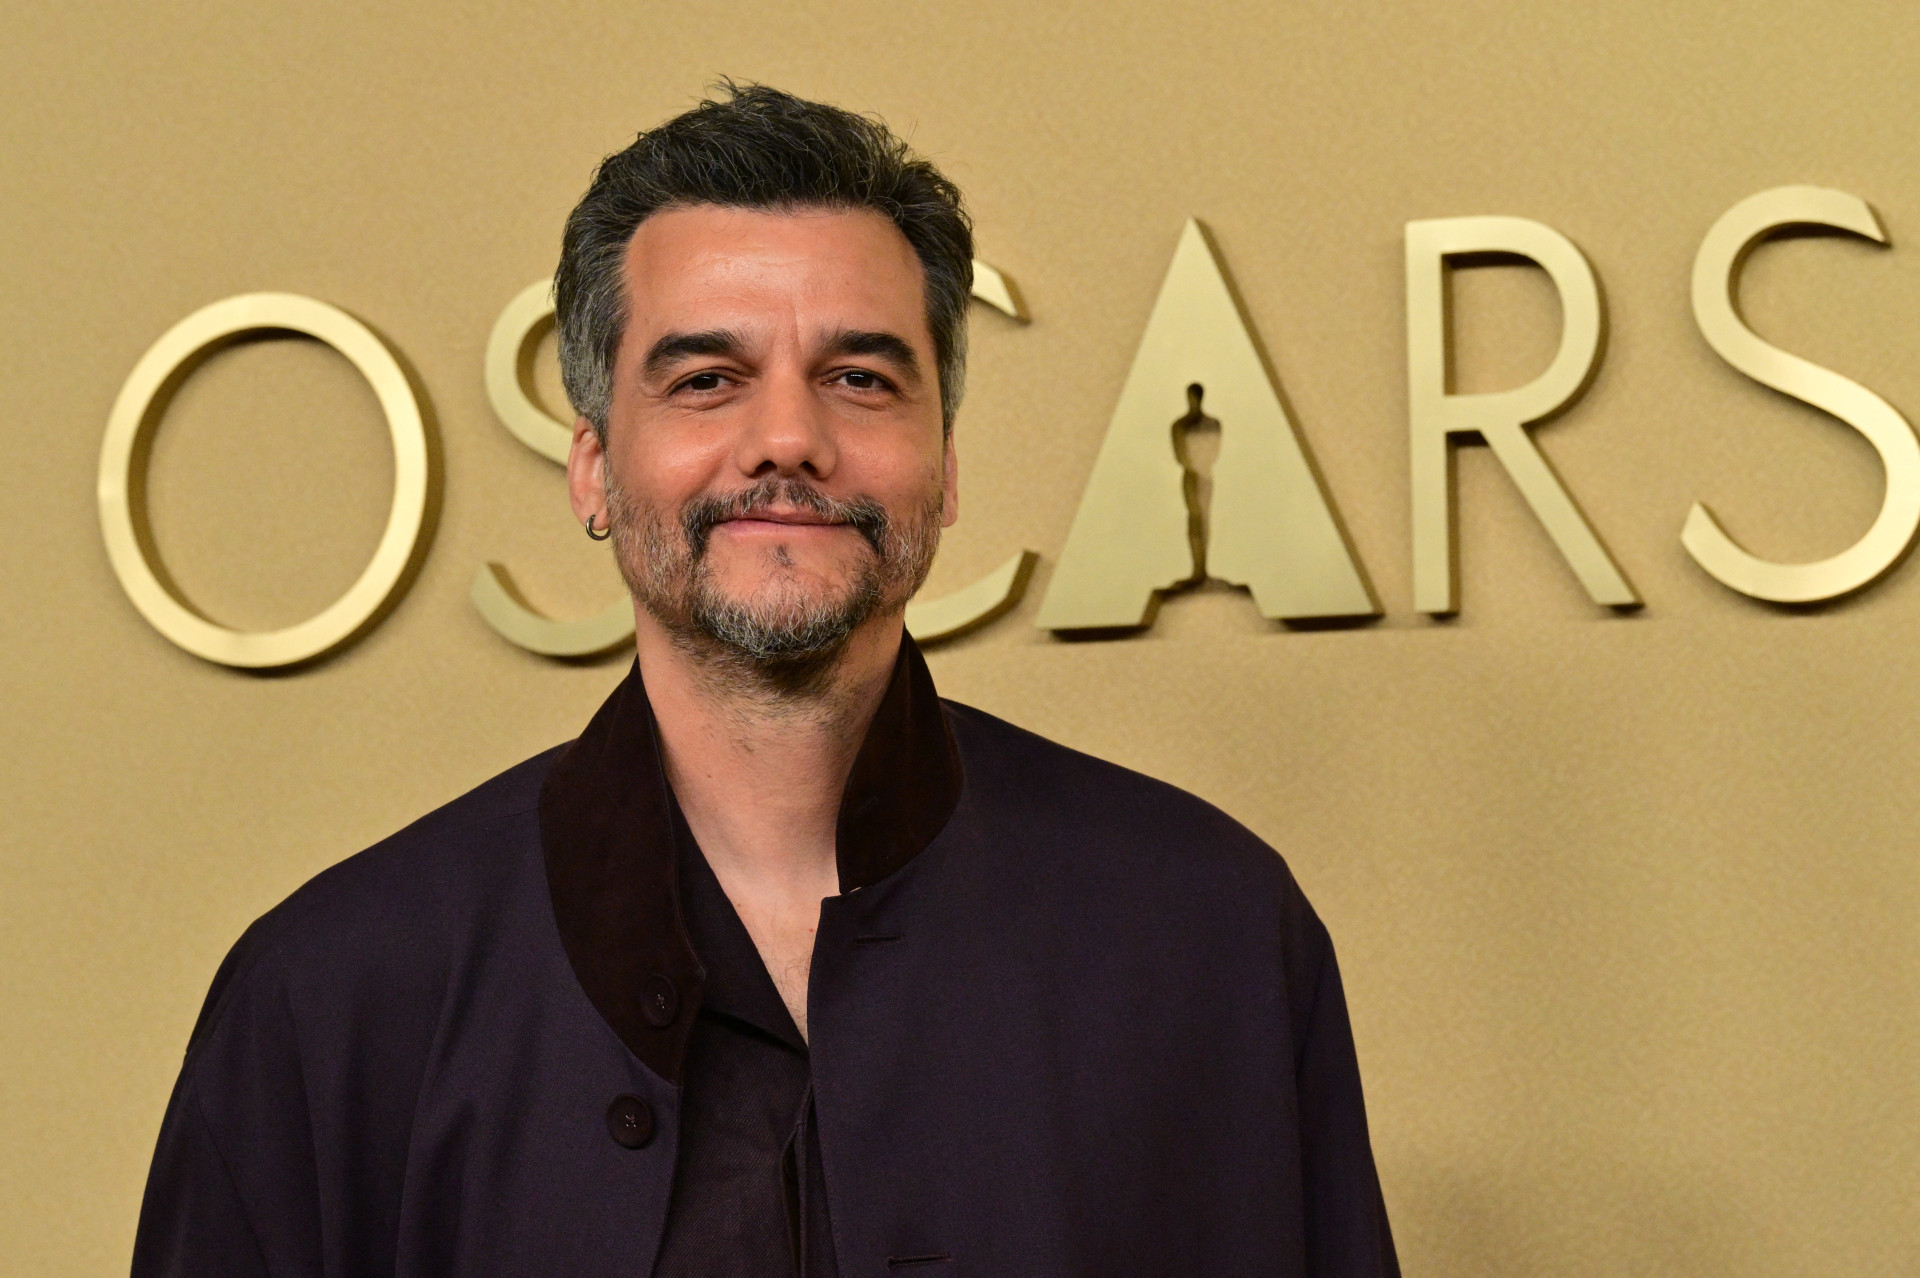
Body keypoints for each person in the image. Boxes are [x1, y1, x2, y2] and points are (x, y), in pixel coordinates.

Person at [131, 83, 1399, 1278]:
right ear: (592, 470)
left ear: (944, 468)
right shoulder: (329, 1001)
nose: (788, 437)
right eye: (706, 381)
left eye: (859, 377)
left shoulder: (1214, 940)